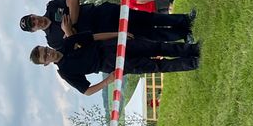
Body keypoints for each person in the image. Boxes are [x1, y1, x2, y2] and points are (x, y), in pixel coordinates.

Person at [30, 33, 199, 95]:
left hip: (112, 45)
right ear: (46, 63)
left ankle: (192, 49)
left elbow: (93, 37)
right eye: (46, 57)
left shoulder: (66, 42)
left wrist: (118, 34)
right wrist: (107, 81)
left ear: (47, 46)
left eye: (46, 50)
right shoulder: (65, 72)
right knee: (155, 65)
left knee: (156, 46)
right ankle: (192, 63)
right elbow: (87, 91)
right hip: (111, 64)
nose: (49, 53)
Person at [20, 0, 195, 49]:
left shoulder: (51, 6)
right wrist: (69, 33)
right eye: (32, 25)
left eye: (32, 18)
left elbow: (73, 1)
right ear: (34, 31)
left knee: (148, 18)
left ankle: (185, 19)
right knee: (148, 34)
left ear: (33, 14)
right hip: (106, 34)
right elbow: (77, 45)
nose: (36, 22)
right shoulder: (53, 41)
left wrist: (71, 26)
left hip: (106, 13)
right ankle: (183, 34)